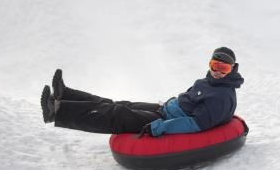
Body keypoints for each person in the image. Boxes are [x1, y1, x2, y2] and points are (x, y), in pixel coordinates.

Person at [40, 48, 244, 137]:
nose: (217, 72)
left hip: (164, 120)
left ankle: (57, 112)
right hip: (164, 109)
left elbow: (195, 123)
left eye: (223, 68)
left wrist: (162, 127)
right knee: (119, 103)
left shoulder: (222, 97)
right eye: (214, 65)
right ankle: (65, 95)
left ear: (231, 69)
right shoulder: (207, 81)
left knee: (118, 114)